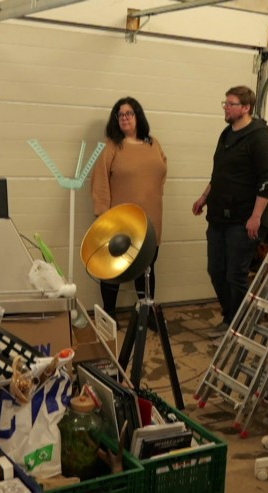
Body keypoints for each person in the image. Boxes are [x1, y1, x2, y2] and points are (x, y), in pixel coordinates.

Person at [192, 86, 268, 337]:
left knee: (235, 274)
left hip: (244, 219)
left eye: (231, 103)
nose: (226, 107)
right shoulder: (226, 134)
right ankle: (231, 316)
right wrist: (204, 197)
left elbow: (266, 180)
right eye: (225, 103)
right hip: (219, 215)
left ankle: (237, 325)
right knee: (215, 270)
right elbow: (219, 173)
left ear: (246, 108)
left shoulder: (261, 138)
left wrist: (256, 216)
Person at [91, 96, 167, 325]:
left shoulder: (153, 143)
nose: (124, 118)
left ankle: (147, 313)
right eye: (120, 114)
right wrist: (103, 214)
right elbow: (99, 181)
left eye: (129, 113)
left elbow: (162, 172)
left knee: (146, 266)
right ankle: (109, 315)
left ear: (138, 117)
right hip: (120, 221)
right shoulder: (112, 146)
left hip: (150, 218)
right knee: (113, 268)